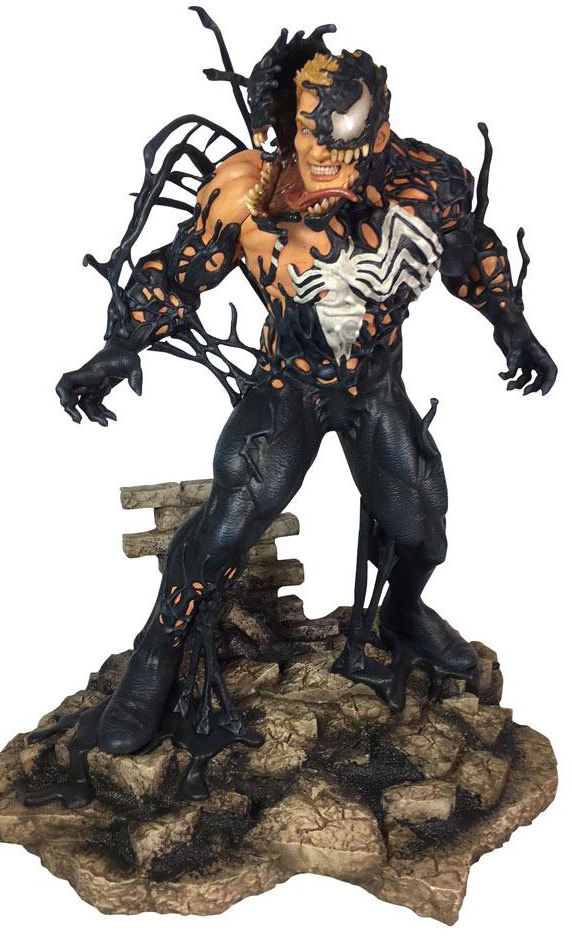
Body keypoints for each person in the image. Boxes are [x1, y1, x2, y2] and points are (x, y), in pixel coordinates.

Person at [56, 31, 556, 757]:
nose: (323, 163)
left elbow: (471, 249)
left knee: (423, 529)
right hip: (286, 385)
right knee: (231, 520)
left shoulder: (425, 184)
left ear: (378, 133)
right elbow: (176, 272)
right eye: (309, 140)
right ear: (289, 124)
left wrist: (511, 325)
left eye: (343, 149)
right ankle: (157, 652)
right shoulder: (245, 192)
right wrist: (119, 345)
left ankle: (403, 613)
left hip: (374, 387)